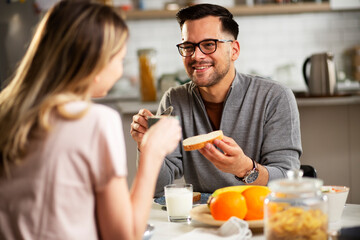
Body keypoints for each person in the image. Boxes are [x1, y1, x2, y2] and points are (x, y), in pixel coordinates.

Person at [0, 1, 181, 240]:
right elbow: (123, 235)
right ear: (95, 63)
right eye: (119, 60)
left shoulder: (6, 111)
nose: (119, 71)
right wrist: (152, 152)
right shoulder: (96, 121)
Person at [130, 3, 302, 197]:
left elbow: (289, 180)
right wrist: (147, 147)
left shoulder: (275, 97)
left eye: (209, 44)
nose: (196, 55)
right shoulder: (174, 100)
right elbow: (157, 188)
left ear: (234, 50)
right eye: (188, 46)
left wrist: (245, 168)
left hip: (260, 215)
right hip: (201, 218)